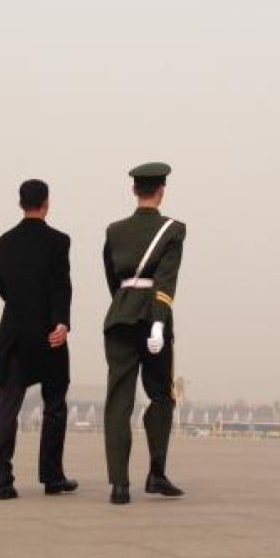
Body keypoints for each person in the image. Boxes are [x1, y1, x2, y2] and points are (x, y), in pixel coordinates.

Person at [0, 179, 77, 500]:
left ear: (20, 203)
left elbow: (2, 286)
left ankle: (1, 482)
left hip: (13, 332)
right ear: (46, 203)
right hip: (49, 333)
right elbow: (60, 285)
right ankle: (52, 477)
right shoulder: (58, 241)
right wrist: (61, 322)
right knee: (54, 405)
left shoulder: (3, 243)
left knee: (7, 406)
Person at [102, 162, 187, 505]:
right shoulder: (173, 229)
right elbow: (167, 280)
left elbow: (112, 277)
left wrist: (126, 303)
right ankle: (156, 473)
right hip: (154, 318)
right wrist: (157, 322)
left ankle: (119, 485)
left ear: (134, 190)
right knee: (161, 396)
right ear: (161, 190)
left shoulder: (114, 230)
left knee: (118, 402)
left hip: (120, 317)